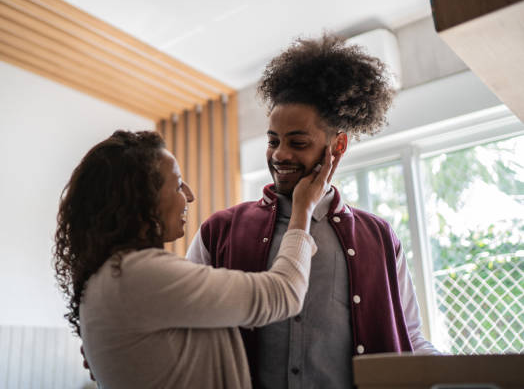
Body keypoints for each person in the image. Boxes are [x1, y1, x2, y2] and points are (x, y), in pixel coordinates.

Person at [186, 35, 439, 389]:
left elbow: (410, 336)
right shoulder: (219, 231)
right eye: (273, 140)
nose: (279, 155)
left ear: (337, 146)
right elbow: (184, 332)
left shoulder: (380, 238)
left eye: (298, 142)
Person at [54, 130, 339, 389]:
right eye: (178, 185)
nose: (189, 196)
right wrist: (303, 209)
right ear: (141, 199)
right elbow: (283, 293)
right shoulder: (141, 275)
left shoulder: (109, 276)